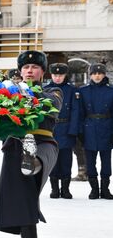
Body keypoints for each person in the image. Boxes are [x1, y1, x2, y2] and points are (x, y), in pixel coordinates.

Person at [0, 50, 62, 238]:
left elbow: (52, 104)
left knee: (35, 162)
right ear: (20, 71)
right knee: (24, 206)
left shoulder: (53, 91)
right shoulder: (7, 93)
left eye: (34, 67)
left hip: (43, 143)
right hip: (15, 147)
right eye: (25, 68)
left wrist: (26, 94)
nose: (30, 70)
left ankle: (32, 162)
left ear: (43, 71)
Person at [78, 63, 113, 200]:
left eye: (100, 73)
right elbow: (80, 113)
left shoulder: (111, 91)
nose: (97, 75)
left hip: (107, 128)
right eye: (94, 73)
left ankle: (105, 189)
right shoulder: (83, 91)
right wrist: (80, 132)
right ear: (90, 75)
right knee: (90, 162)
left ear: (104, 74)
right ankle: (93, 189)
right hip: (89, 129)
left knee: (106, 161)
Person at [44, 63, 79, 199]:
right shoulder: (46, 89)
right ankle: (54, 189)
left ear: (65, 75)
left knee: (66, 160)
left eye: (60, 75)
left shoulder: (72, 91)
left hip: (66, 128)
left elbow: (76, 111)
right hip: (51, 129)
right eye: (55, 75)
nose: (57, 78)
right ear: (51, 75)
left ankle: (65, 189)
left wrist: (73, 130)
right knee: (53, 160)